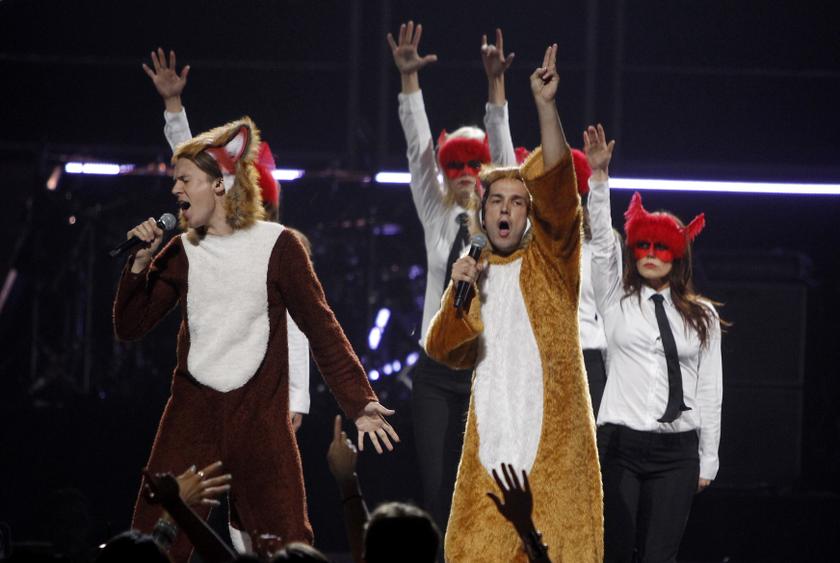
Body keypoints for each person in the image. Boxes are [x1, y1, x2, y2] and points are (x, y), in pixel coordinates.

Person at [113, 116, 399, 562]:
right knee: (152, 539)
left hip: (260, 417)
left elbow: (321, 327)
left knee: (287, 543)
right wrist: (136, 270)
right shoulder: (182, 250)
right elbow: (130, 327)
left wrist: (359, 402)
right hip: (192, 412)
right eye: (175, 181)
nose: (174, 191)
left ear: (220, 185)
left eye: (184, 180)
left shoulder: (279, 245)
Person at [424, 44, 602, 562]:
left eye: (517, 201)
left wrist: (546, 107)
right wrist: (458, 297)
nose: (505, 210)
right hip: (492, 455)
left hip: (557, 457)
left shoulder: (553, 262)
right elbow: (445, 350)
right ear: (482, 212)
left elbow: (559, 195)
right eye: (496, 201)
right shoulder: (474, 271)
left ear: (529, 213)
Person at [385, 21, 517, 539]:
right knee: (439, 493)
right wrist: (409, 83)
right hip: (438, 371)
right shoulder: (439, 217)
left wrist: (496, 90)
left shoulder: (506, 224)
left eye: (474, 163)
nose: (464, 171)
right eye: (455, 163)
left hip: (490, 371)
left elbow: (508, 161)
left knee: (490, 492)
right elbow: (418, 151)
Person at [142, 48, 309, 433]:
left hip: (262, 387)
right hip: (208, 380)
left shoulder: (281, 251)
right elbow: (193, 170)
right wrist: (172, 105)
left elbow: (298, 324)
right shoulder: (208, 238)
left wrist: (297, 395)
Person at [584, 123, 723, 563]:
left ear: (676, 255)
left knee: (659, 557)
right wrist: (600, 179)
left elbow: (709, 389)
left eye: (660, 247)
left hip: (676, 451)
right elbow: (603, 244)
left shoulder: (702, 315)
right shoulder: (615, 300)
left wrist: (708, 458)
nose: (648, 253)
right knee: (616, 553)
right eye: (642, 244)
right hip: (620, 445)